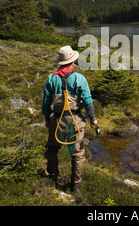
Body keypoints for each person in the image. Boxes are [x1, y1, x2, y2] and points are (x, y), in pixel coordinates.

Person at [42, 45, 97, 192]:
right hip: (76, 120)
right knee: (77, 154)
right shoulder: (79, 78)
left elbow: (46, 103)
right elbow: (88, 101)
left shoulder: (51, 79)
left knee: (52, 149)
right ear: (72, 62)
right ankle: (76, 186)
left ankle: (52, 178)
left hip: (56, 120)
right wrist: (93, 119)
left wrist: (47, 119)